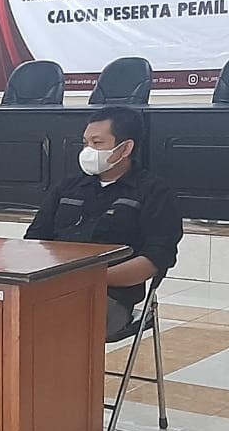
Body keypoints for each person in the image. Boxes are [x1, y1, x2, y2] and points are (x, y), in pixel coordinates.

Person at [25, 106, 183, 337]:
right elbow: (33, 241)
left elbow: (155, 259)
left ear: (125, 148)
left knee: (50, 322)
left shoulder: (153, 191)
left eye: (97, 143)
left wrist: (89, 279)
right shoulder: (67, 187)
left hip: (110, 296)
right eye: (85, 143)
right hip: (50, 287)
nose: (88, 150)